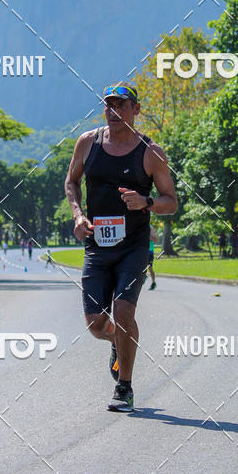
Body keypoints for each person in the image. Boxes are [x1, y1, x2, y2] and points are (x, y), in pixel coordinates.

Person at [65, 82, 177, 412]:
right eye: (109, 105)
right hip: (97, 246)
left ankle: (124, 387)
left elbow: (171, 201)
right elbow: (71, 181)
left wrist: (147, 201)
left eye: (121, 106)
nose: (113, 112)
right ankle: (118, 339)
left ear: (136, 110)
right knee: (95, 323)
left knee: (124, 311)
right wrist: (78, 215)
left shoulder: (151, 152)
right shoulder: (88, 143)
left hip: (133, 247)